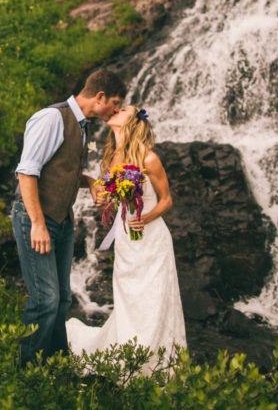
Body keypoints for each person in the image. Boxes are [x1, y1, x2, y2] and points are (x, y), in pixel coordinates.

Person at [12, 70, 126, 366]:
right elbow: (26, 171)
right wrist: (37, 224)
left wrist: (88, 181)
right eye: (115, 103)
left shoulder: (81, 125)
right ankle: (26, 373)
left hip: (62, 220)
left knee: (62, 299)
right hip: (36, 219)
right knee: (45, 300)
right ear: (99, 97)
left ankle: (56, 364)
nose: (116, 110)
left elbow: (61, 170)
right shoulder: (52, 118)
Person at [66, 105, 187, 374]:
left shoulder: (149, 159)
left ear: (132, 121)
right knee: (129, 298)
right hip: (126, 239)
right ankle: (130, 357)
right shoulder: (110, 158)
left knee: (154, 298)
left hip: (152, 240)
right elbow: (109, 198)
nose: (115, 110)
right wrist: (102, 197)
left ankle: (155, 363)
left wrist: (144, 218)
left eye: (122, 109)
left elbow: (166, 200)